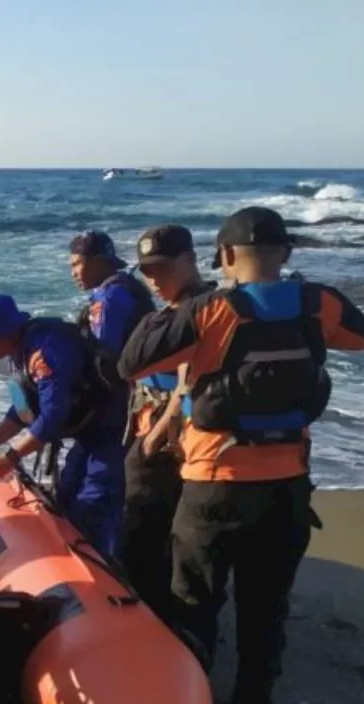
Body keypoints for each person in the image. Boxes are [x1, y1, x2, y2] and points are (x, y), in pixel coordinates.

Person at [118, 206, 364, 704]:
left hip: (215, 484)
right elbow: (360, 338)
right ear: (285, 253)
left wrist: (175, 314)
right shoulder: (317, 303)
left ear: (226, 256)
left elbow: (133, 363)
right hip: (288, 486)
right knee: (266, 606)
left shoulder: (213, 310)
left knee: (194, 600)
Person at [0, 292, 130, 559]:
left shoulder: (45, 352)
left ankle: (105, 572)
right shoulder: (18, 352)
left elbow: (52, 417)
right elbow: (23, 410)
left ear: (4, 333)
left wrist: (12, 456)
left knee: (94, 503)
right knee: (65, 498)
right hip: (86, 433)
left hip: (109, 428)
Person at [118, 225, 214, 622]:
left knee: (148, 538)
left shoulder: (201, 310)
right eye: (145, 271)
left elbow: (187, 384)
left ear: (189, 261)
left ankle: (151, 624)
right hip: (154, 433)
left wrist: (153, 439)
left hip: (169, 446)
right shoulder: (175, 308)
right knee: (153, 539)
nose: (153, 279)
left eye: (162, 268)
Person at [68, 230, 156, 356]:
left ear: (99, 263)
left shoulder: (109, 298)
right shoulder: (126, 285)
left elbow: (104, 356)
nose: (73, 273)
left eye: (76, 264)